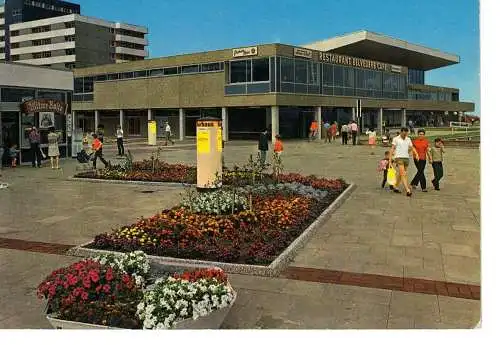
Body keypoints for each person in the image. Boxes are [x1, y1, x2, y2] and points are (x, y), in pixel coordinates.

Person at [388, 127, 420, 197]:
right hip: (398, 158)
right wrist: (390, 160)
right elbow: (392, 149)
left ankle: (395, 186)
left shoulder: (408, 139)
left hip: (406, 158)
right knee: (403, 174)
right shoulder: (396, 139)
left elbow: (412, 147)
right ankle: (407, 190)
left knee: (401, 173)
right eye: (404, 133)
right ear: (401, 132)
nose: (405, 135)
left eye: (406, 133)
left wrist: (416, 154)